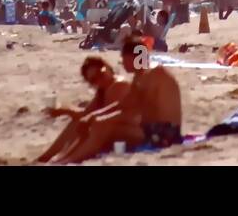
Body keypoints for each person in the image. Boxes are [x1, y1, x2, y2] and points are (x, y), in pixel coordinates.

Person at [52, 32, 183, 164]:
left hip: (165, 134)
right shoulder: (140, 76)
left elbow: (132, 109)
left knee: (104, 126)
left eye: (124, 58)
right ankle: (62, 158)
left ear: (133, 58)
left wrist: (98, 119)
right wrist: (92, 116)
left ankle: (67, 161)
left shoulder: (154, 74)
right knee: (96, 124)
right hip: (151, 130)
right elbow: (122, 104)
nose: (122, 63)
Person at [38, 56, 132, 163]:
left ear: (107, 67)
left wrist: (89, 119)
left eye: (100, 73)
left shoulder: (119, 85)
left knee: (95, 125)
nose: (99, 80)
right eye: (94, 79)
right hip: (114, 128)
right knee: (78, 122)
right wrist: (65, 111)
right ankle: (48, 156)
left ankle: (65, 159)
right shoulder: (104, 88)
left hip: (130, 131)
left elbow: (114, 114)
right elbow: (86, 114)